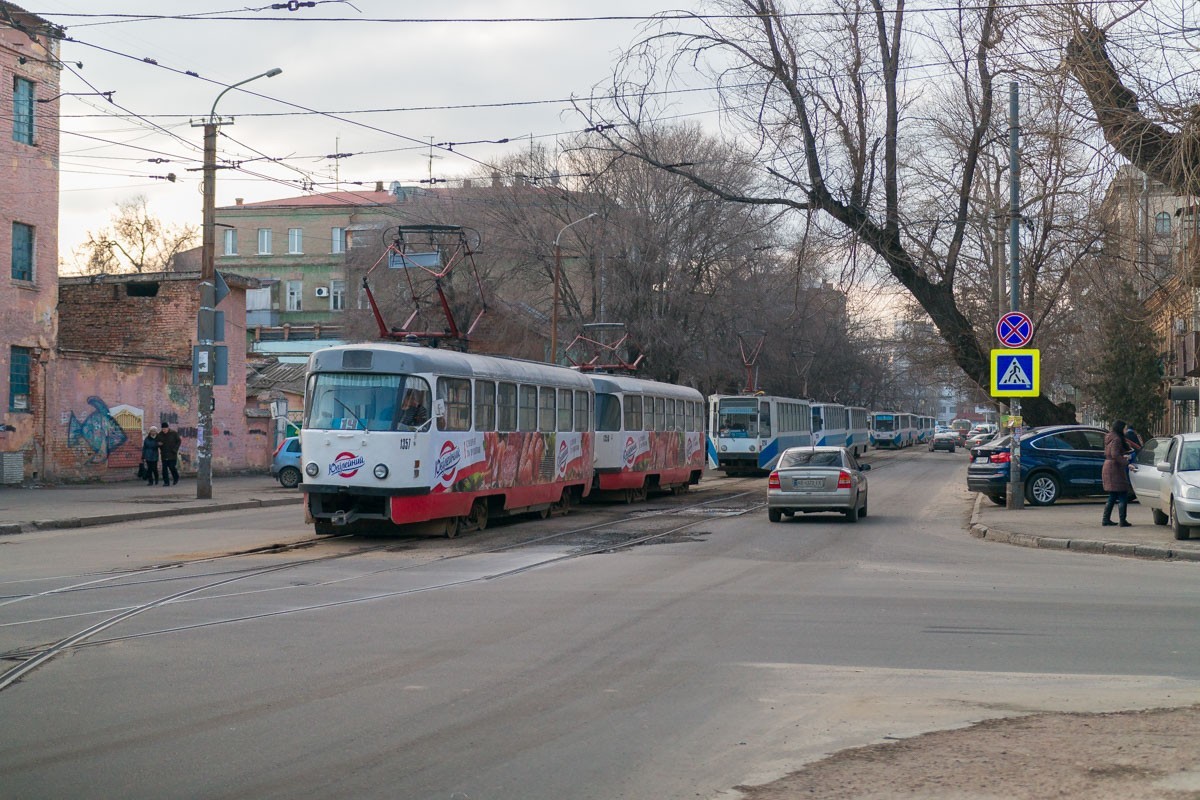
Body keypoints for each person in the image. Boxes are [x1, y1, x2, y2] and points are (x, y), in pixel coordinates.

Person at [1101, 418, 1133, 528]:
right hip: (1115, 468)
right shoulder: (1117, 439)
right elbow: (1115, 454)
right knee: (1123, 493)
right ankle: (1122, 520)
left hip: (1109, 466)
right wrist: (1126, 462)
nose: (1126, 430)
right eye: (1125, 428)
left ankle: (1106, 519)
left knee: (1113, 494)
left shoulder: (1109, 437)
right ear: (1120, 428)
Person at [156, 421, 182, 487]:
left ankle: (176, 477)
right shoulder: (160, 435)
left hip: (172, 453)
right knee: (164, 469)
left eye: (165, 429)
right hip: (164, 454)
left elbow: (179, 441)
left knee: (172, 467)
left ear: (168, 428)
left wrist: (175, 449)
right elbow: (157, 442)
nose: (164, 430)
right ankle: (166, 482)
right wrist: (159, 444)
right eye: (163, 429)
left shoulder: (173, 433)